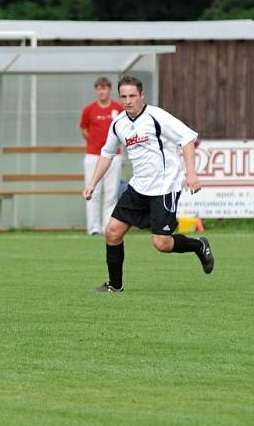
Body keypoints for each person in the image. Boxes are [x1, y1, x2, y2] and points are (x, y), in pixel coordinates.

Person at [83, 75, 214, 293]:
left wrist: (191, 173)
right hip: (138, 187)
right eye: (123, 96)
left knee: (161, 244)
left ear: (142, 95)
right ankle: (115, 286)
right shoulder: (118, 124)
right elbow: (106, 154)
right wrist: (93, 183)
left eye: (132, 95)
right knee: (112, 232)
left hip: (164, 187)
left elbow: (187, 139)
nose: (128, 101)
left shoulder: (157, 116)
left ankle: (199, 245)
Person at [80, 76, 124, 235]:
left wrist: (110, 147)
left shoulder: (118, 109)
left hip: (114, 156)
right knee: (93, 192)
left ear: (109, 90)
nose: (102, 91)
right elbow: (84, 130)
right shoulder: (89, 110)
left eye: (104, 88)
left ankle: (108, 226)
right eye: (99, 88)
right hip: (93, 156)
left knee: (111, 193)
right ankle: (93, 227)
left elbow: (124, 129)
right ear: (96, 90)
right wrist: (95, 143)